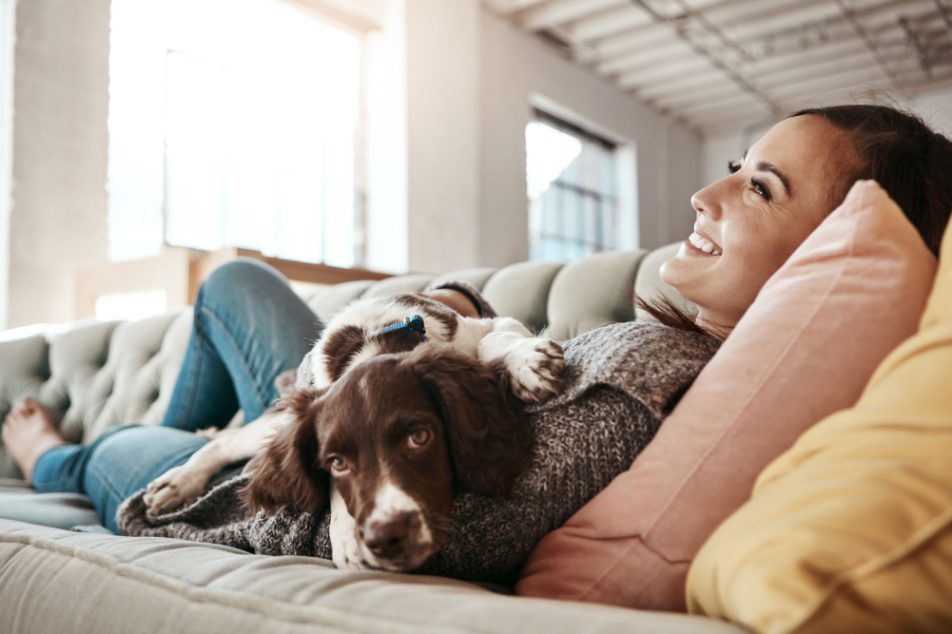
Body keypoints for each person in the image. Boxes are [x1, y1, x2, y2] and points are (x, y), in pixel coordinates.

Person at [4, 104, 952, 544]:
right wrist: (451, 314)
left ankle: (54, 458)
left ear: (832, 256)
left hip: (291, 475)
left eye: (757, 187)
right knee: (233, 283)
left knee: (121, 446)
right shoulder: (667, 346)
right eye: (734, 163)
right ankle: (209, 429)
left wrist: (260, 472)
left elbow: (447, 518)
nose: (704, 193)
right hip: (336, 410)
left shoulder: (649, 384)